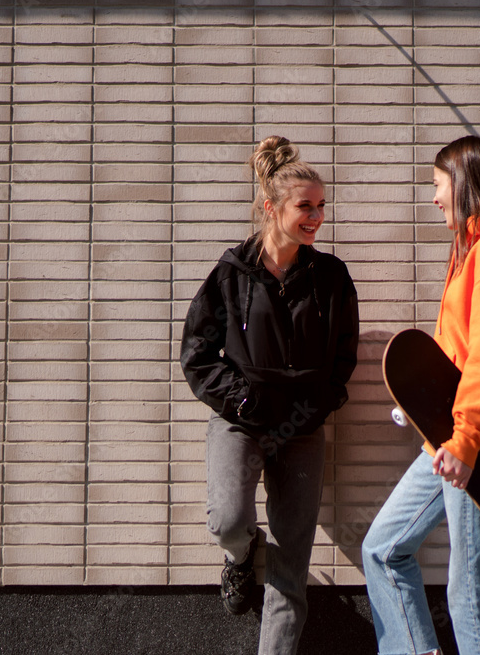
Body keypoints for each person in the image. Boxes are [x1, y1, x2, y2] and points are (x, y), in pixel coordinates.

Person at [362, 135, 480, 655]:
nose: (434, 197)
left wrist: (467, 440)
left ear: (464, 184)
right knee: (383, 549)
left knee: (472, 588)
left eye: (438, 185)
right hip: (451, 436)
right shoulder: (475, 246)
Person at [180, 136, 359, 655]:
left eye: (321, 206)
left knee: (292, 558)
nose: (316, 216)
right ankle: (239, 559)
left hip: (302, 428)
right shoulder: (232, 275)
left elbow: (343, 355)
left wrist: (323, 401)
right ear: (272, 207)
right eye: (306, 206)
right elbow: (197, 353)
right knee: (230, 521)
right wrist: (240, 400)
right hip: (241, 419)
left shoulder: (331, 277)